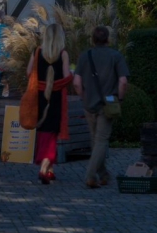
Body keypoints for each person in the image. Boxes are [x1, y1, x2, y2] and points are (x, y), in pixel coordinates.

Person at [75, 25, 130, 189]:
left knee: (95, 141)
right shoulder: (116, 56)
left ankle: (104, 174)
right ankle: (90, 175)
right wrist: (119, 98)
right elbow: (123, 81)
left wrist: (84, 98)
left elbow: (76, 83)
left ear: (93, 39)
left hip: (89, 104)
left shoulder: (85, 56)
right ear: (107, 39)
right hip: (108, 104)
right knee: (101, 141)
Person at [23, 23, 73, 184]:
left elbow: (29, 72)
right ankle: (44, 168)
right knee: (52, 134)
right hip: (56, 98)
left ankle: (50, 170)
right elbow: (65, 77)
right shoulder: (63, 54)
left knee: (44, 131)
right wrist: (73, 74)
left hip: (39, 97)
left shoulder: (37, 52)